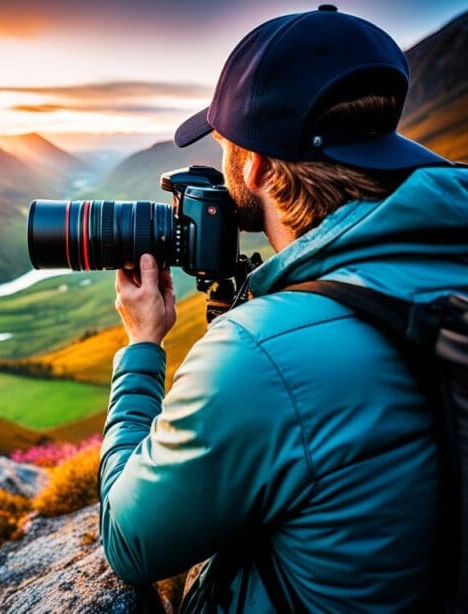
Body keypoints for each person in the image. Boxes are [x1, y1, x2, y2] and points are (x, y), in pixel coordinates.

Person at [98, 5, 468, 611]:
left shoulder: (262, 355)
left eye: (225, 147)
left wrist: (142, 347)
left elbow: (128, 539)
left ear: (257, 166)